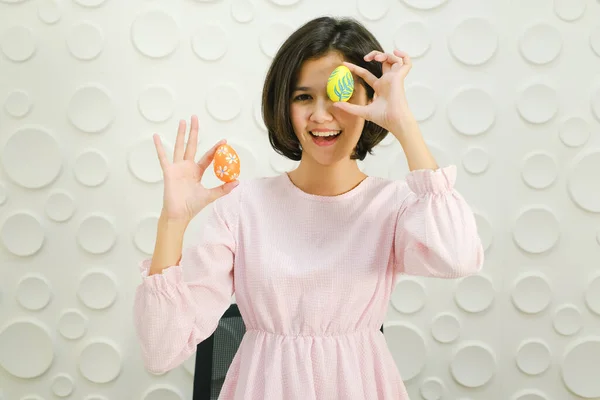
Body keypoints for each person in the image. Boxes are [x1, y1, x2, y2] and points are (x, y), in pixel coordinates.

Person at [133, 16, 484, 399]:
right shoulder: (242, 207)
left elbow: (459, 259)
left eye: (341, 93)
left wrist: (403, 123)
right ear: (284, 106)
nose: (321, 114)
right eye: (303, 97)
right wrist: (172, 223)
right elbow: (161, 351)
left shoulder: (393, 206)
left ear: (372, 100)